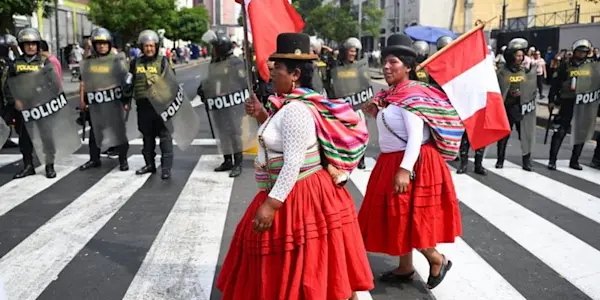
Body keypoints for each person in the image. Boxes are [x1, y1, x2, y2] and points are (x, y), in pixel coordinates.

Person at [216, 33, 374, 300]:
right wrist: (262, 116)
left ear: (295, 74)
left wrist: (271, 205)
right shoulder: (287, 105)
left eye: (277, 68)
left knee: (307, 263)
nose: (272, 73)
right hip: (294, 191)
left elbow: (293, 162)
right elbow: (278, 139)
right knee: (311, 264)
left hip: (299, 195)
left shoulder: (297, 110)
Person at [358, 33, 462, 289]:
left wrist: (404, 170)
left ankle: (437, 258)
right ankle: (405, 267)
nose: (386, 66)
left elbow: (416, 137)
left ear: (407, 66)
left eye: (393, 62)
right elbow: (393, 126)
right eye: (384, 61)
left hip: (412, 164)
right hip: (392, 161)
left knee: (408, 218)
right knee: (397, 216)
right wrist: (377, 112)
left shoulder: (411, 96)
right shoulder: (393, 94)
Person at [2, 28, 57, 179]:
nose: (31, 47)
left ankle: (49, 166)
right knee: (25, 139)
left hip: (42, 108)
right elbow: (7, 86)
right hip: (23, 109)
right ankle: (28, 166)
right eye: (27, 44)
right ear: (21, 45)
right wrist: (15, 102)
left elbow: (54, 85)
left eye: (33, 44)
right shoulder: (15, 64)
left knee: (46, 138)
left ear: (38, 45)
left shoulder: (45, 63)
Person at [78, 27, 130, 172]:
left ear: (109, 44)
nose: (101, 46)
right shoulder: (89, 62)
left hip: (113, 102)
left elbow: (125, 82)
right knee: (95, 134)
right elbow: (84, 82)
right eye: (98, 43)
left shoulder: (115, 61)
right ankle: (94, 159)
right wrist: (82, 100)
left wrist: (125, 101)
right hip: (96, 103)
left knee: (119, 133)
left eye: (104, 43)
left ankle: (123, 160)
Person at [197, 30, 246, 178]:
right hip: (218, 106)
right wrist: (203, 89)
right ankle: (227, 161)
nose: (213, 50)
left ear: (221, 47)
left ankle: (238, 163)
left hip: (232, 105)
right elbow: (209, 80)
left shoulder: (236, 63)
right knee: (223, 134)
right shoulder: (214, 62)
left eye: (215, 47)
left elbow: (244, 83)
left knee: (234, 134)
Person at [128, 29, 174, 179]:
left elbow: (172, 82)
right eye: (146, 46)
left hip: (161, 106)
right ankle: (149, 164)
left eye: (151, 46)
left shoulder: (163, 61)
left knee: (165, 138)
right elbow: (129, 82)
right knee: (147, 138)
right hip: (144, 107)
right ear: (142, 47)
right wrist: (125, 99)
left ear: (156, 46)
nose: (149, 48)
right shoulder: (135, 62)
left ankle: (166, 168)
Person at [547, 39, 595, 171]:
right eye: (579, 51)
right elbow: (555, 83)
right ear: (574, 51)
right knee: (560, 131)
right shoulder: (565, 65)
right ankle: (552, 160)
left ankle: (575, 161)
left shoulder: (591, 66)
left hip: (583, 103)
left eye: (584, 52)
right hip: (567, 101)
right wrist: (551, 100)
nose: (581, 54)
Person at [495, 38, 537, 171]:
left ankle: (526, 161)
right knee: (503, 136)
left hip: (521, 108)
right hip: (506, 107)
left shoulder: (525, 71)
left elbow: (531, 87)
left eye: (521, 55)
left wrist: (523, 93)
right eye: (517, 55)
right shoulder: (502, 71)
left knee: (524, 135)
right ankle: (500, 160)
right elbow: (496, 89)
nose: (520, 58)